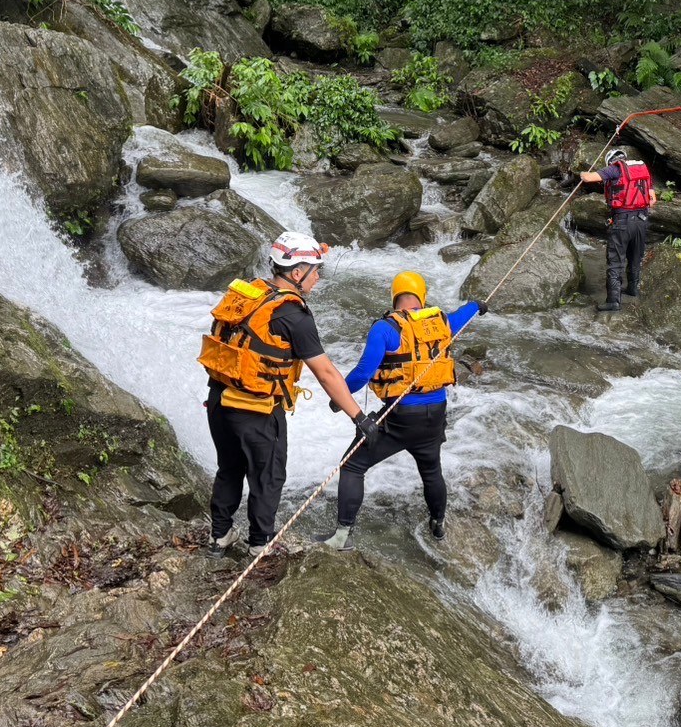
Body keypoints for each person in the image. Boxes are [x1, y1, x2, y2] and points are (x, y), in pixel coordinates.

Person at [197, 230, 380, 557]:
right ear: (297, 273)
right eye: (315, 271)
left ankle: (219, 536)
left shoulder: (252, 292)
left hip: (219, 399)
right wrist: (359, 417)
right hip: (257, 409)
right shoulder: (294, 316)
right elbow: (325, 372)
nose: (318, 278)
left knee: (229, 468)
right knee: (268, 477)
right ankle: (259, 545)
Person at [316, 271, 485, 551]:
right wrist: (478, 305)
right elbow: (464, 313)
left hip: (401, 418)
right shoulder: (441, 322)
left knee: (353, 466)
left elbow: (363, 373)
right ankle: (438, 524)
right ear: (422, 296)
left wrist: (339, 396)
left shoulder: (386, 328)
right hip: (436, 415)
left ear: (395, 297)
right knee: (431, 470)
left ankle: (341, 536)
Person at [579, 146, 656, 311]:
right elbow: (652, 199)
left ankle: (614, 301)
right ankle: (633, 289)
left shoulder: (614, 170)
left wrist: (581, 174)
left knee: (615, 261)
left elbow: (588, 178)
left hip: (621, 222)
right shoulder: (642, 171)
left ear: (611, 161)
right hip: (642, 221)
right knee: (635, 256)